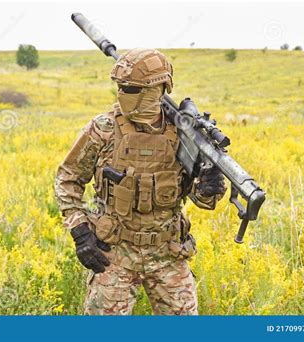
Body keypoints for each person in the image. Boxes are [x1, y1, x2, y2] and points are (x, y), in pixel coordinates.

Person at [55, 48, 226, 315]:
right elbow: (68, 179)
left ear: (157, 89)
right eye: (121, 87)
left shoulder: (184, 135)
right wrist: (80, 232)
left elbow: (203, 200)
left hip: (168, 253)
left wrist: (209, 185)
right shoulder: (104, 128)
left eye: (131, 89)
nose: (122, 94)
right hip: (114, 253)